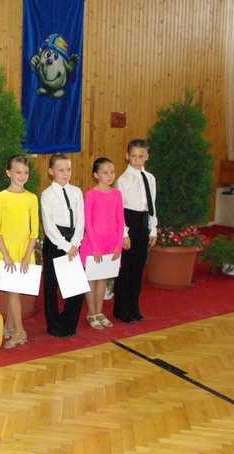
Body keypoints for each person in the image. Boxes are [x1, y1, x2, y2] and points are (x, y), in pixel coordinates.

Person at [0, 155, 39, 349]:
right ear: (8, 173)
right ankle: (16, 329)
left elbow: (34, 231)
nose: (22, 176)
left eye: (26, 172)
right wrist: (6, 255)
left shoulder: (32, 198)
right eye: (18, 172)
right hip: (7, 251)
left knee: (14, 291)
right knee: (12, 292)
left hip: (24, 250)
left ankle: (16, 329)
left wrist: (27, 255)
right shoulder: (1, 197)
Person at [40, 153, 85, 338]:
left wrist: (75, 243)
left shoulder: (76, 192)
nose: (66, 174)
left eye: (68, 169)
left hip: (74, 240)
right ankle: (54, 325)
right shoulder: (47, 195)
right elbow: (48, 225)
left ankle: (69, 323)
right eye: (61, 170)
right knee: (52, 287)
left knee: (76, 287)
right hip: (56, 243)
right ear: (51, 171)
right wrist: (66, 246)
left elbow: (81, 219)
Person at [114, 139, 157, 323]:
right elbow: (119, 210)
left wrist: (152, 229)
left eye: (141, 156)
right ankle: (121, 309)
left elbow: (152, 206)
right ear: (127, 156)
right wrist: (124, 234)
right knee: (126, 268)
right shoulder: (124, 180)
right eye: (133, 156)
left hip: (143, 222)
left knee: (138, 268)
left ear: (146, 157)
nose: (137, 160)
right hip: (128, 223)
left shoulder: (150, 178)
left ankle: (134, 307)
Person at [80, 157, 125, 330]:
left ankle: (99, 312)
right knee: (92, 278)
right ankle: (91, 313)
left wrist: (118, 244)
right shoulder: (91, 194)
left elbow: (120, 220)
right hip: (94, 242)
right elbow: (88, 222)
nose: (110, 175)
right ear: (96, 175)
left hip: (111, 241)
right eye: (105, 172)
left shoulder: (117, 193)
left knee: (103, 278)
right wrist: (95, 246)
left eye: (112, 172)